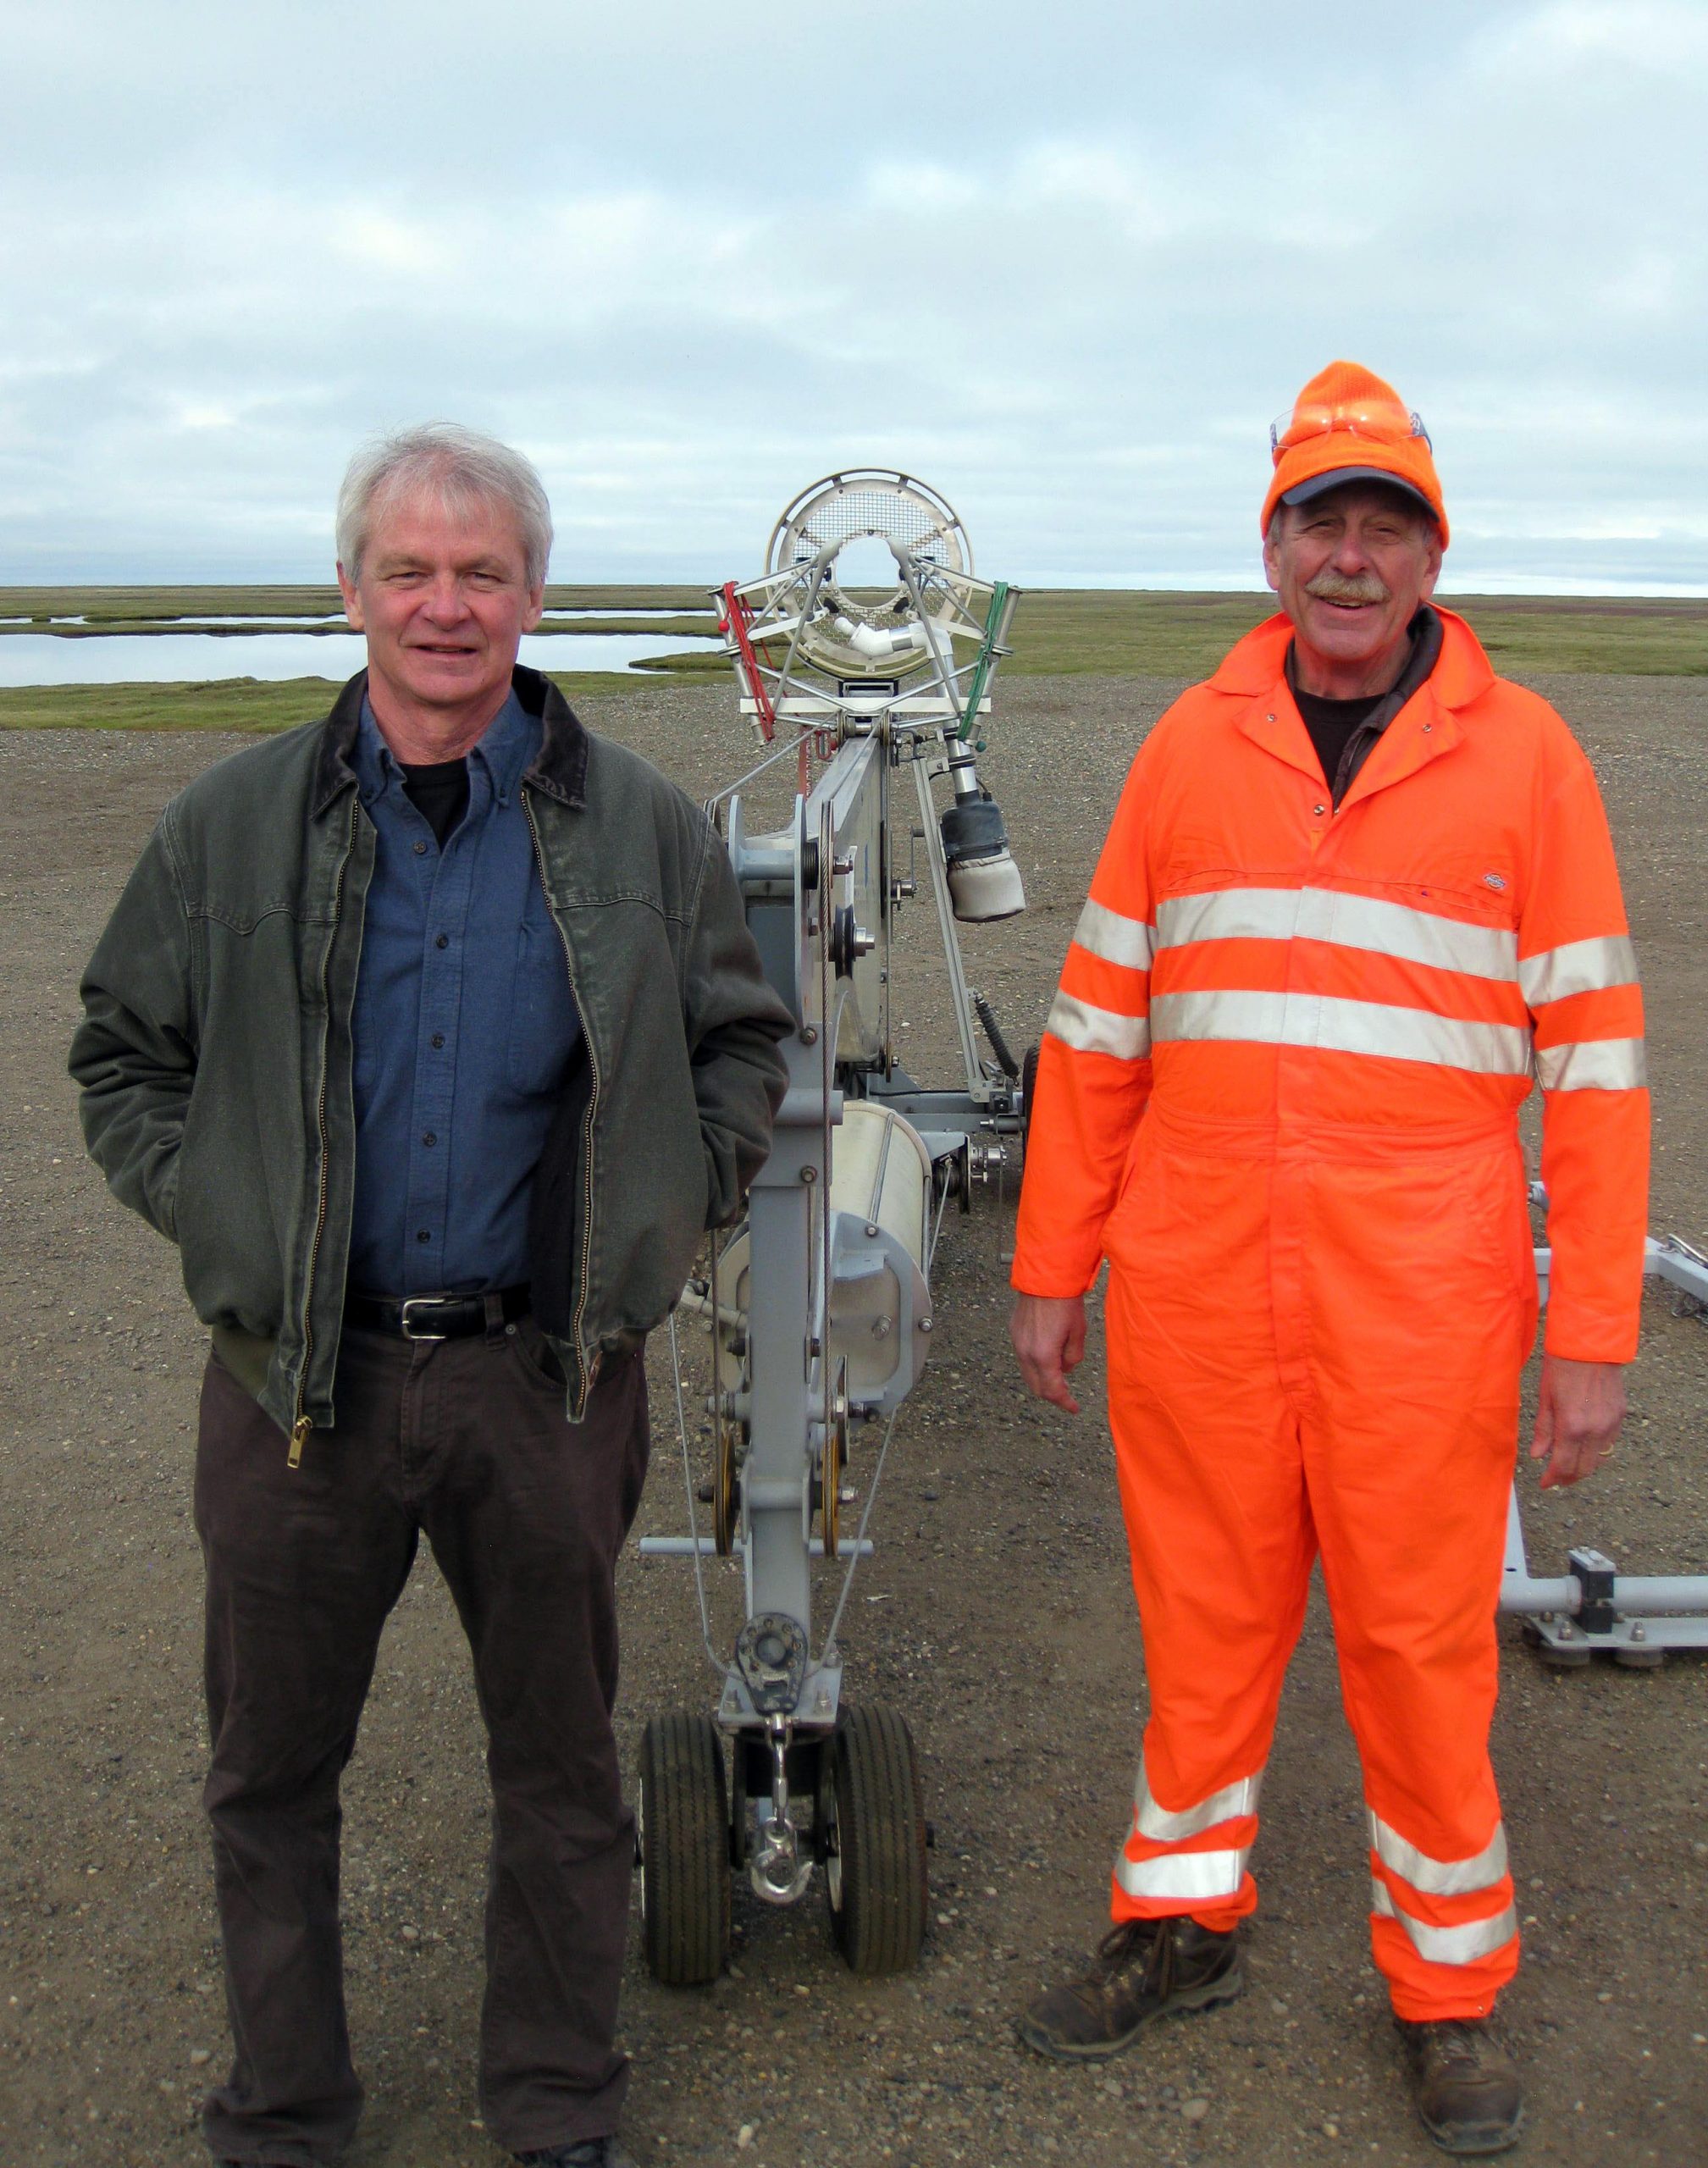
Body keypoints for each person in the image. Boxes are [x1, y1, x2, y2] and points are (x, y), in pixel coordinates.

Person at [70, 423, 793, 2168]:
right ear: (352, 591)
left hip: (542, 1378)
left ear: (533, 594)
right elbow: (121, 1055)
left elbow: (737, 1043)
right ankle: (288, 2111)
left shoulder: (639, 827)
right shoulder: (232, 821)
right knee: (267, 1773)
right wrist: (227, 1220)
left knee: (558, 1769)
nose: (446, 604)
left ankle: (552, 2103)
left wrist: (657, 1224)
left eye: (482, 572)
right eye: (410, 570)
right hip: (293, 1380)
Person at [1008, 361, 1647, 2156]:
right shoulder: (1186, 745)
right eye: (1323, 522)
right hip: (1201, 1276)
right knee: (1202, 1622)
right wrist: (1051, 1257)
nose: (1350, 559)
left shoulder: (1524, 761)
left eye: (1385, 527)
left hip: (1424, 1300)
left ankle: (1446, 1992)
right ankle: (1181, 1916)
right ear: (1271, 539)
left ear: (1431, 554)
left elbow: (1592, 1067)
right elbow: (1097, 1030)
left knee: (1418, 1639)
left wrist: (1584, 1327)